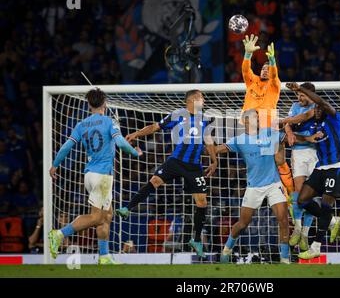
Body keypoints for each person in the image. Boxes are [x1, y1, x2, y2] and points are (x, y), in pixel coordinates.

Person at [116, 90, 218, 258]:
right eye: (202, 97)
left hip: (194, 166)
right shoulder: (177, 114)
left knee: (201, 202)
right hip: (176, 161)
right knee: (155, 180)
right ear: (193, 100)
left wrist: (214, 160)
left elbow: (208, 141)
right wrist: (136, 133)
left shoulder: (205, 119)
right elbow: (155, 127)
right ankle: (127, 208)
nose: (204, 100)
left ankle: (197, 240)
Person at [215, 109, 322, 264]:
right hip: (254, 187)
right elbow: (218, 149)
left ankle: (285, 259)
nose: (257, 120)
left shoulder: (268, 133)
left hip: (274, 184)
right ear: (245, 121)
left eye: (258, 118)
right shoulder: (239, 140)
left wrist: (309, 138)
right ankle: (227, 250)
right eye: (254, 118)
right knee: (243, 223)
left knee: (283, 220)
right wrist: (204, 148)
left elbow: (291, 138)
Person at [48, 88, 142, 264]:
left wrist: (55, 165)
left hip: (90, 174)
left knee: (107, 216)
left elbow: (66, 147)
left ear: (89, 104)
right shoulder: (108, 122)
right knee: (97, 217)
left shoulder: (81, 125)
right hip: (102, 176)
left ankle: (104, 256)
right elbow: (121, 143)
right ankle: (59, 234)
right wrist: (135, 153)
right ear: (105, 103)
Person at [286, 82, 340, 259]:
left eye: (320, 107)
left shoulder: (334, 118)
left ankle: (316, 246)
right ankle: (331, 220)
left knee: (325, 204)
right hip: (320, 168)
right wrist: (295, 133)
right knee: (302, 200)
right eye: (318, 109)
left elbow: (322, 101)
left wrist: (300, 89)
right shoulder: (314, 125)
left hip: (337, 167)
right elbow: (294, 130)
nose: (319, 110)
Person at [241, 34, 296, 201]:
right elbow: (245, 70)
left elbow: (273, 74)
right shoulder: (252, 82)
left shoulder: (274, 85)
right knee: (260, 162)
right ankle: (273, 193)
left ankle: (292, 194)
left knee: (278, 159)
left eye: (268, 68)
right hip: (251, 127)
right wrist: (248, 54)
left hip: (267, 125)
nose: (265, 70)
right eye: (263, 68)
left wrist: (272, 61)